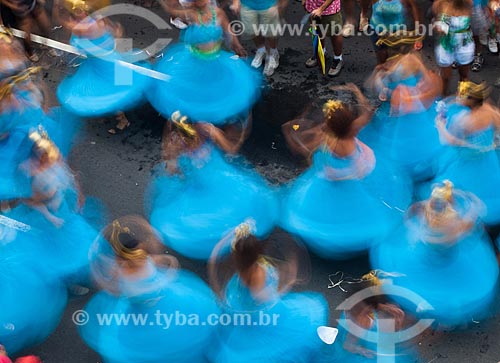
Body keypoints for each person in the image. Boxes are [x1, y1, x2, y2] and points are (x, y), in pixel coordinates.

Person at [280, 84, 412, 259]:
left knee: (329, 212)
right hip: (352, 179)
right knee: (359, 210)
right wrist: (357, 92)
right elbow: (367, 113)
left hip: (334, 180)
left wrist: (292, 131)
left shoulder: (329, 141)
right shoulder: (352, 130)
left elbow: (302, 147)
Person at [80, 216, 220, 363]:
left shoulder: (121, 273)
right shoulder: (143, 263)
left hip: (143, 316)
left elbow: (111, 287)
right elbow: (164, 266)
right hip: (167, 305)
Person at [146, 112, 278, 260]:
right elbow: (171, 169)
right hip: (198, 186)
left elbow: (230, 149)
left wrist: (217, 134)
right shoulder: (176, 141)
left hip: (220, 178)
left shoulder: (206, 130)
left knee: (250, 204)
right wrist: (173, 156)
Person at [371, 180, 499, 327]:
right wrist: (472, 210)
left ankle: (425, 315)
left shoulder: (427, 211)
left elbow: (412, 213)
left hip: (426, 253)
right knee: (456, 287)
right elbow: (470, 224)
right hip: (447, 258)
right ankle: (444, 317)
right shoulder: (451, 221)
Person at [208, 221, 328, 362]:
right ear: (257, 251)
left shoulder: (241, 267)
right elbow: (267, 301)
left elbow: (213, 258)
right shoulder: (257, 274)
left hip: (241, 302)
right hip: (261, 316)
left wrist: (229, 236)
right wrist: (289, 282)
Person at [150, 0, 260, 125]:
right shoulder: (189, 15)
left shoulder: (218, 14)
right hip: (194, 63)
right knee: (194, 89)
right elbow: (172, 10)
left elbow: (228, 32)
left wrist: (237, 46)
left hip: (215, 61)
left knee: (216, 89)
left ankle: (215, 116)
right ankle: (196, 118)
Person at [56, 0, 152, 134]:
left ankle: (123, 120)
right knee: (111, 90)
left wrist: (57, 6)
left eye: (78, 11)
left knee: (110, 93)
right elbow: (117, 32)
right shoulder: (99, 18)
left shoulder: (84, 28)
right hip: (109, 60)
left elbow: (65, 24)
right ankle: (115, 115)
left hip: (105, 66)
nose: (76, 14)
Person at [359, 53, 443, 182]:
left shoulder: (400, 66)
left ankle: (407, 171)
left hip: (401, 112)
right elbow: (428, 83)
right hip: (408, 111)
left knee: (399, 145)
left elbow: (380, 92)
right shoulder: (412, 60)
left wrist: (391, 92)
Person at [426, 81, 500, 225]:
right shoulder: (490, 110)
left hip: (467, 158)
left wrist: (440, 126)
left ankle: (464, 211)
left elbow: (449, 141)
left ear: (470, 101)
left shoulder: (464, 121)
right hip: (486, 156)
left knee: (456, 182)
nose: (458, 97)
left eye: (461, 96)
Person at [231, 0, 287, 76]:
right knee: (251, 30)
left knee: (271, 32)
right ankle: (261, 50)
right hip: (247, 4)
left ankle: (273, 53)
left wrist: (282, 4)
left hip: (269, 4)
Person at [433, 0, 475, 95]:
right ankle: (442, 97)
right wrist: (438, 27)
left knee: (464, 75)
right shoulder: (440, 3)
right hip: (446, 45)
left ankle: (462, 97)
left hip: (464, 45)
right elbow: (435, 22)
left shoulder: (467, 3)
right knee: (445, 77)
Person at [303, 0, 344, 76]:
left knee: (335, 33)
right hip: (312, 7)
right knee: (317, 30)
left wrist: (321, 9)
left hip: (329, 10)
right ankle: (321, 53)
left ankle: (338, 59)